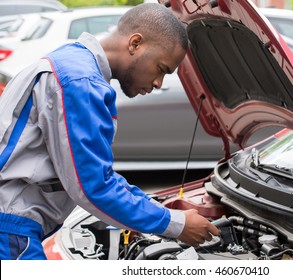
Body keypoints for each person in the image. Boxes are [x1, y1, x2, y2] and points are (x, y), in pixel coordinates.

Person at [0, 3, 219, 260]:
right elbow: (93, 186)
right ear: (135, 43)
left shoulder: (69, 61)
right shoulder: (81, 83)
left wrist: (153, 208)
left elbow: (98, 174)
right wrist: (175, 224)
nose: (159, 83)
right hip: (11, 231)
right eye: (161, 69)